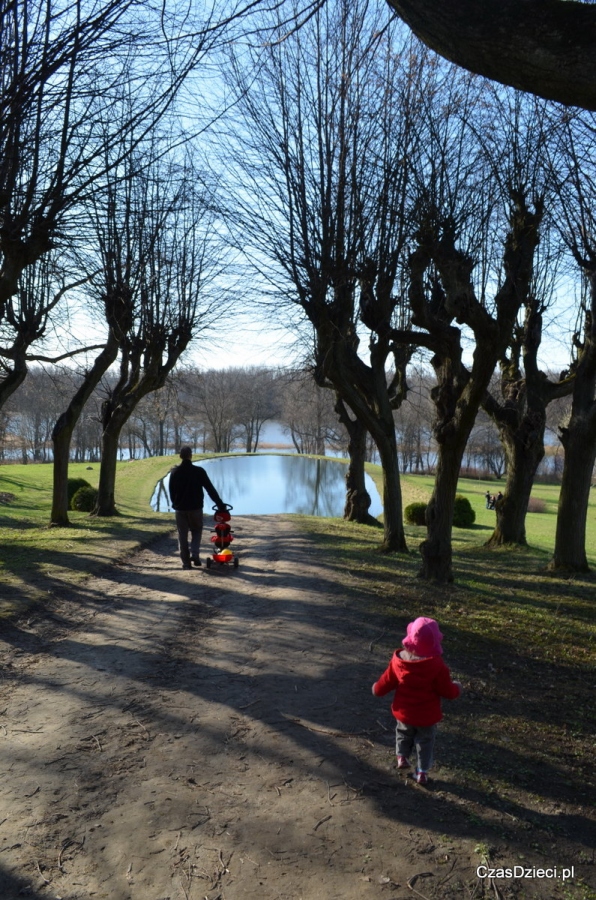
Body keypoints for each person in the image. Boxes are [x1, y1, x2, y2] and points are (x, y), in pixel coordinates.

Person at [372, 617, 461, 785]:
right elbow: (448, 691)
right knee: (425, 742)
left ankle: (402, 757)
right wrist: (457, 688)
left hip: (404, 713)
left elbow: (386, 681)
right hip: (427, 717)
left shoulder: (399, 662)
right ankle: (422, 772)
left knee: (403, 733)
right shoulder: (437, 666)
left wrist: (377, 689)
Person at [168, 447, 226, 570]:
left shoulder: (174, 472)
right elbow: (210, 489)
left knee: (182, 535)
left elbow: (171, 492)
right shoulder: (199, 471)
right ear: (191, 456)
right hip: (195, 507)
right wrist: (220, 504)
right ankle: (195, 554)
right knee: (196, 531)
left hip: (180, 509)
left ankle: (186, 563)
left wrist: (174, 504)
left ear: (180, 456)